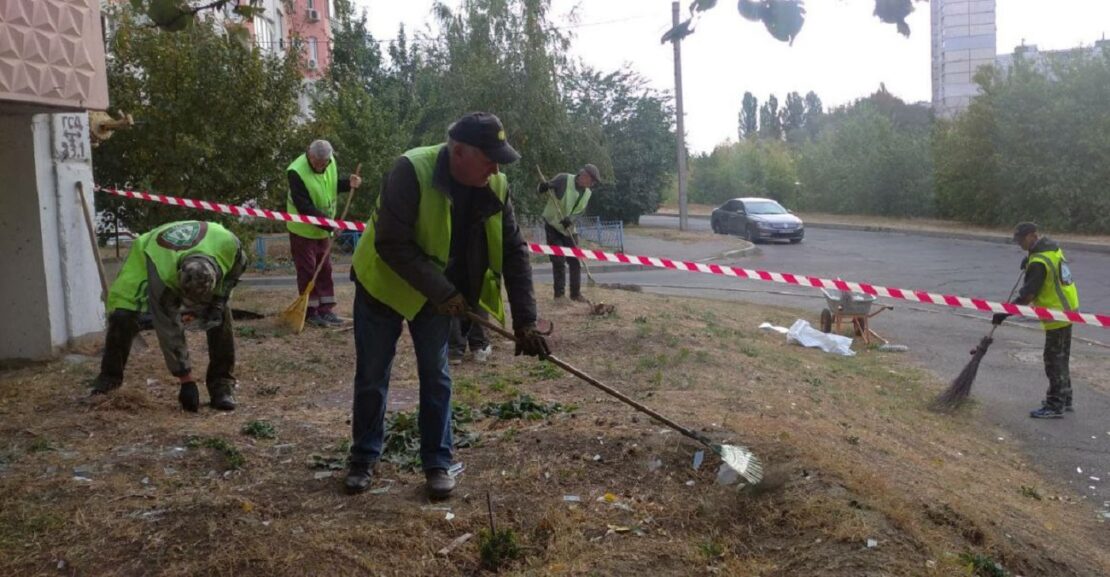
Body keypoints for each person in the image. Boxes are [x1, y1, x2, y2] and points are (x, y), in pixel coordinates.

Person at [346, 112, 551, 498]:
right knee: (373, 374)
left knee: (436, 375)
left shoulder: (496, 186)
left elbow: (514, 251)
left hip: (438, 295)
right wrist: (442, 291)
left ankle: (437, 462)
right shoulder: (410, 170)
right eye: (488, 159)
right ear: (458, 152)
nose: (495, 167)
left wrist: (526, 322)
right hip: (384, 285)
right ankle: (363, 457)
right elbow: (391, 244)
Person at [91, 220, 247, 412]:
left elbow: (232, 275)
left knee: (221, 316)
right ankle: (109, 379)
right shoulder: (163, 275)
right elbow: (168, 326)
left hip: (203, 247)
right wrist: (185, 379)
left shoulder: (231, 247)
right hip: (150, 252)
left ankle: (222, 385)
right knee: (123, 313)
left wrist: (218, 302)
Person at [993, 222, 1079, 419]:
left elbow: (1027, 296)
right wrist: (1029, 259)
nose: (1020, 244)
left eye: (1022, 240)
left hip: (1056, 312)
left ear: (1032, 236)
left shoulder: (1039, 261)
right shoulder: (1051, 248)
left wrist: (1005, 313)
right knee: (1062, 357)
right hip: (1068, 308)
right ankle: (1065, 398)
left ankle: (1055, 405)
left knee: (1053, 360)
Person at [286, 140, 362, 327]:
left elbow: (330, 186)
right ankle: (310, 311)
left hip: (324, 229)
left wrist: (348, 183)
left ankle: (325, 310)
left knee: (325, 269)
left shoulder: (330, 162)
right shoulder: (296, 171)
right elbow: (304, 206)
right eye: (316, 162)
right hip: (302, 229)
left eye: (323, 162)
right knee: (308, 270)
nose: (320, 166)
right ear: (309, 155)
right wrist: (330, 225)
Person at [537, 164, 601, 301]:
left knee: (575, 261)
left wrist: (570, 220)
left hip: (569, 230)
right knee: (558, 260)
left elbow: (581, 211)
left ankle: (575, 294)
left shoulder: (588, 193)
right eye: (591, 180)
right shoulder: (564, 179)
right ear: (583, 175)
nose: (592, 184)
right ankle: (559, 295)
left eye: (594, 182)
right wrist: (543, 187)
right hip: (553, 226)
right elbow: (544, 188)